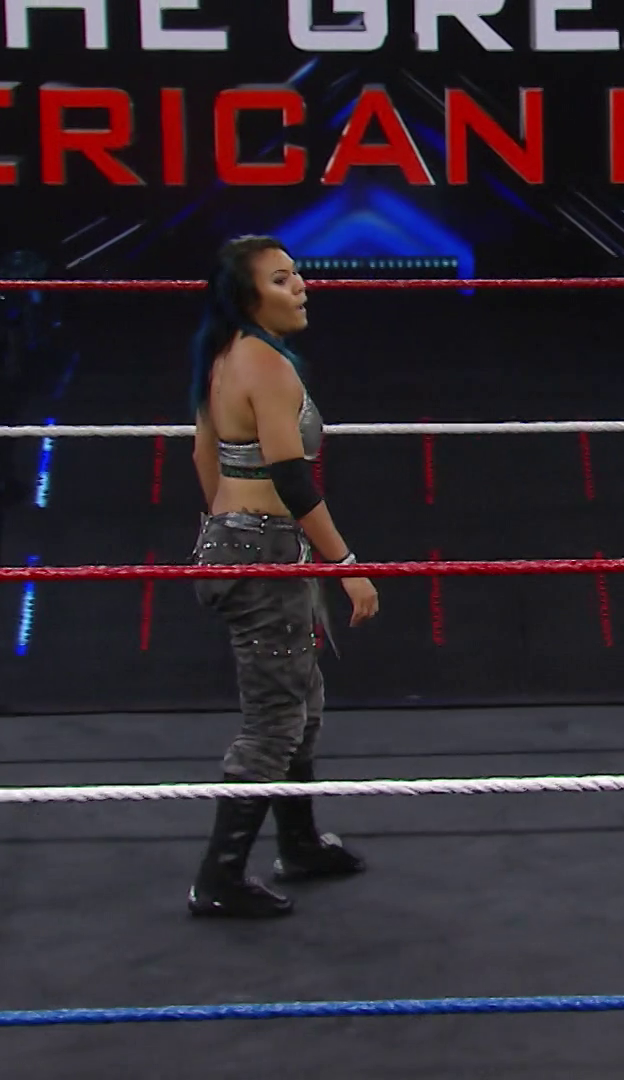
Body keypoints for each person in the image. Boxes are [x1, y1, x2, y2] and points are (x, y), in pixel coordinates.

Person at [185, 234, 380, 918]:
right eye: (280, 279)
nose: (299, 286)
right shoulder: (264, 364)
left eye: (296, 274)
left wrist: (225, 529)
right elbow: (292, 478)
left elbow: (203, 454)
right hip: (263, 552)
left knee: (301, 700)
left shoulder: (222, 357)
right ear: (248, 298)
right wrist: (348, 566)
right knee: (274, 719)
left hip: (243, 545)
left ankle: (298, 843)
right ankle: (219, 878)